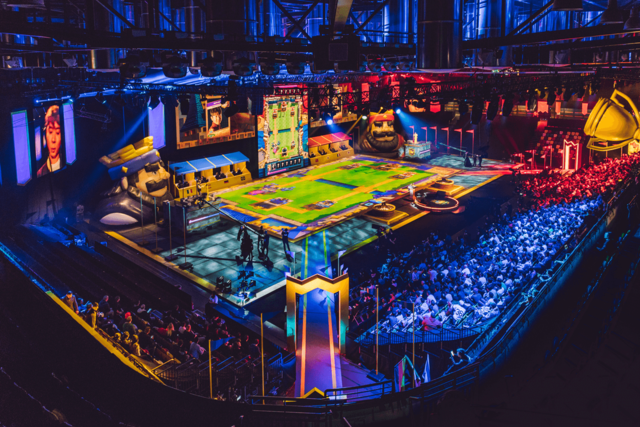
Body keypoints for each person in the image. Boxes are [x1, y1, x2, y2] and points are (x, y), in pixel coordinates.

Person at [37, 105, 63, 177]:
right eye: (50, 132)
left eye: (57, 133)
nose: (53, 140)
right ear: (45, 133)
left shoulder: (67, 160)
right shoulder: (39, 173)